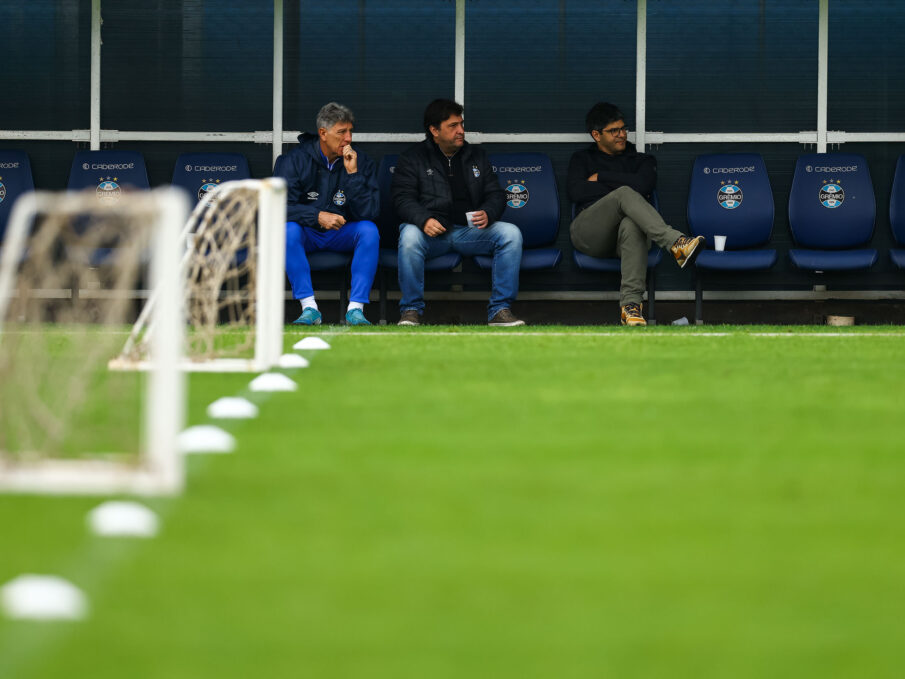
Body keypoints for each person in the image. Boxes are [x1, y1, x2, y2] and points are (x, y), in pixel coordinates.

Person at [568, 102, 705, 326]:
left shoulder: (641, 160)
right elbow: (577, 191)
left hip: (626, 241)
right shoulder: (581, 159)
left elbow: (644, 185)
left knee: (633, 223)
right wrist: (620, 190)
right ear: (596, 135)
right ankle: (676, 243)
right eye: (614, 131)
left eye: (624, 129)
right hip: (589, 234)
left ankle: (630, 308)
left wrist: (600, 177)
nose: (622, 135)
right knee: (624, 193)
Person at [392, 98, 525, 326]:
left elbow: (496, 194)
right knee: (409, 236)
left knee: (510, 234)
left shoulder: (476, 156)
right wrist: (424, 220)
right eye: (453, 126)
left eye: (461, 124)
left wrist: (488, 212)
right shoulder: (413, 158)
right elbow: (402, 199)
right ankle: (411, 310)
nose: (461, 131)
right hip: (432, 234)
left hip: (469, 232)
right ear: (434, 130)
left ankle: (499, 310)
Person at [276, 102, 380, 325]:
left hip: (342, 233)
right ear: (323, 133)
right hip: (308, 233)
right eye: (342, 132)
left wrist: (353, 175)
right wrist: (317, 216)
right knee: (287, 230)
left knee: (369, 231)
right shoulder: (294, 160)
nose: (349, 138)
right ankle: (309, 308)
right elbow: (278, 208)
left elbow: (369, 212)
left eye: (350, 131)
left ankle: (356, 310)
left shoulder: (360, 161)